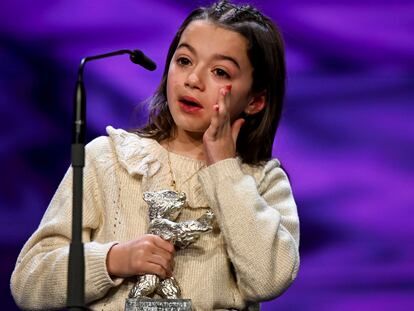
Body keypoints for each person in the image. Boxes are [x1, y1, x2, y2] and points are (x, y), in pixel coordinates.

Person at [11, 1, 300, 310]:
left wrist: (225, 170)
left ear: (255, 100)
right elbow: (28, 282)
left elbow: (268, 279)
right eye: (185, 60)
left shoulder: (262, 181)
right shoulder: (108, 158)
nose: (193, 80)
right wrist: (114, 259)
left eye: (219, 71)